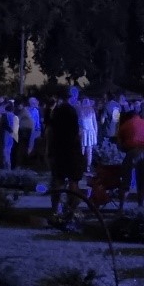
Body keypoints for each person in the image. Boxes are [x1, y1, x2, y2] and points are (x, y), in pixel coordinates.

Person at [48, 88, 86, 216]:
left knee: (57, 180)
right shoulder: (74, 111)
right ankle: (71, 211)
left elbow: (50, 131)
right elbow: (78, 132)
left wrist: (50, 149)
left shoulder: (56, 110)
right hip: (71, 150)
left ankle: (55, 210)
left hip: (58, 150)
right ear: (74, 96)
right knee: (73, 181)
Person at [116, 107, 144, 210]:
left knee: (126, 180)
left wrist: (126, 150)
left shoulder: (124, 125)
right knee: (143, 180)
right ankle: (143, 206)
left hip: (133, 152)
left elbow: (119, 144)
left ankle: (121, 208)